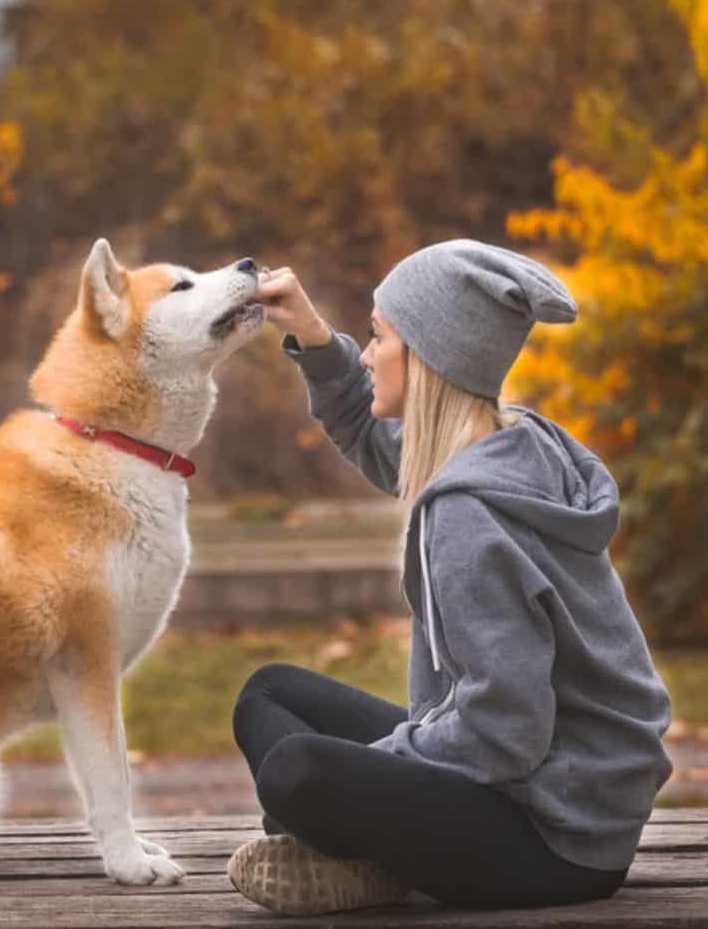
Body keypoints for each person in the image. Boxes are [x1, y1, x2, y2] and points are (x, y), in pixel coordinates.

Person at [226, 239, 673, 915]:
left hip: (556, 840)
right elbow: (374, 441)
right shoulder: (510, 442)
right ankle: (368, 850)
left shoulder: (469, 518)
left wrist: (370, 773)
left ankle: (369, 859)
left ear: (430, 358)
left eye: (379, 338)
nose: (369, 354)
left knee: (298, 771)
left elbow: (504, 733)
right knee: (269, 693)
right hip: (552, 792)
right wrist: (314, 337)